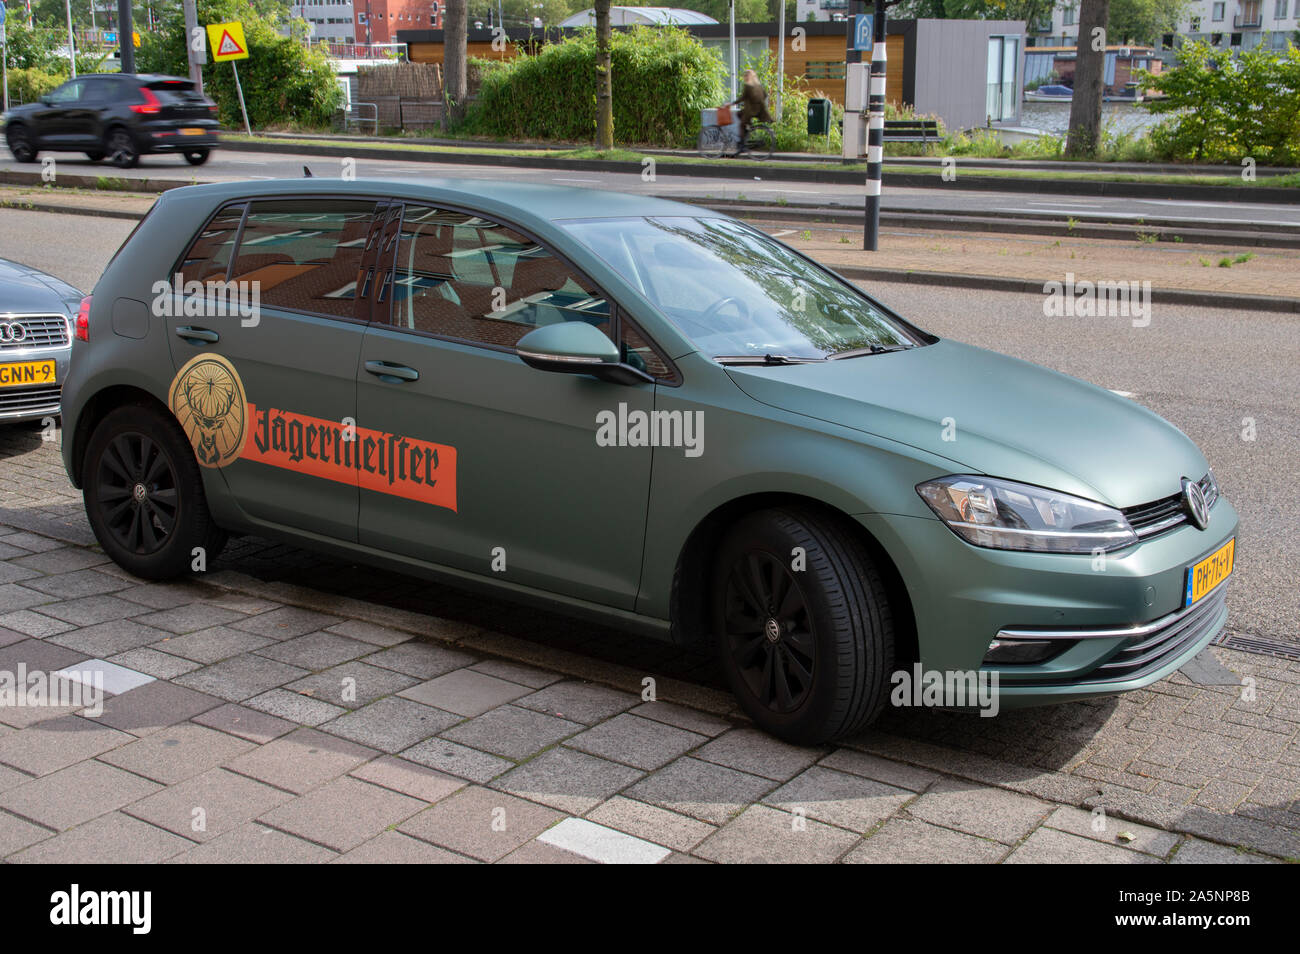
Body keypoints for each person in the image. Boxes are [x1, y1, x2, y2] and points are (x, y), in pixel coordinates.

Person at [733, 69, 773, 153]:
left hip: (750, 111)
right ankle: (747, 131)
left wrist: (732, 104)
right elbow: (765, 95)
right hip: (758, 110)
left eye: (745, 76)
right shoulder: (758, 85)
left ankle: (742, 145)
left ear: (748, 77)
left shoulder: (748, 86)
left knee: (741, 124)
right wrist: (755, 102)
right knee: (739, 114)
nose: (745, 77)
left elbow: (743, 98)